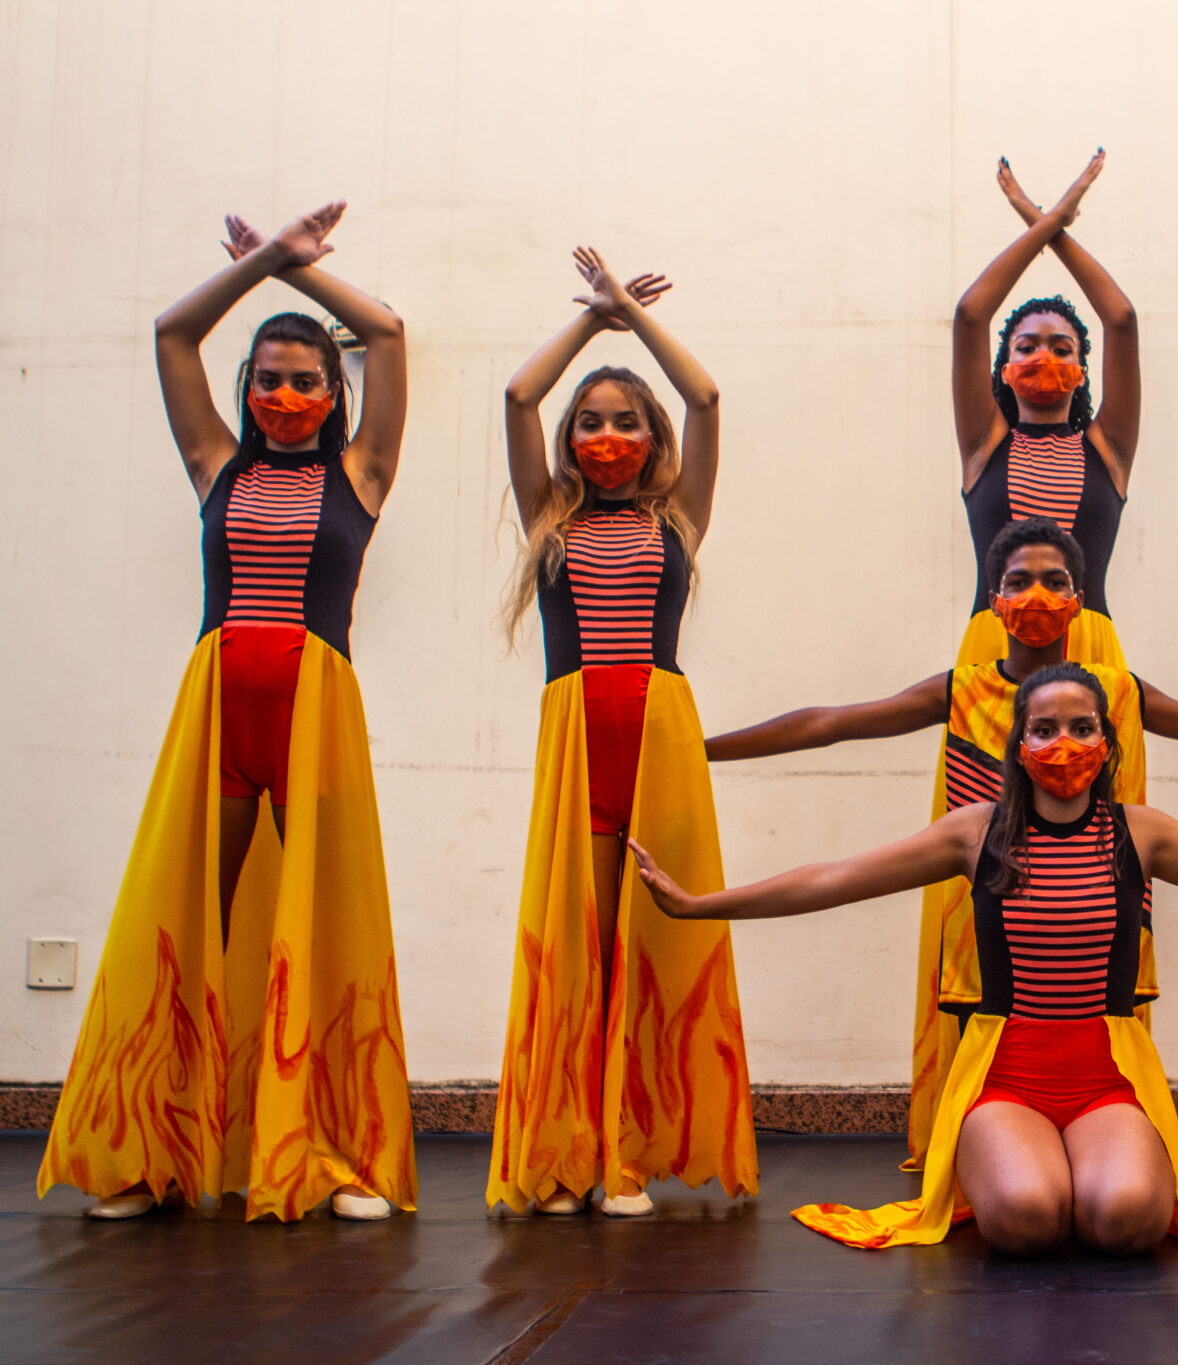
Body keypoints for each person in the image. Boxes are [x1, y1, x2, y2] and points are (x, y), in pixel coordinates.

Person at [636, 663, 1178, 1253]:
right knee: (1025, 1218)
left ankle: (1088, 1167)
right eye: (1044, 728)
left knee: (1126, 1220)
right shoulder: (974, 833)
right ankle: (1027, 1167)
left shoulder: (1142, 833)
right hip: (1003, 1074)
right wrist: (702, 903)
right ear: (1018, 743)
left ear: (1108, 742)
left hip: (1108, 1073)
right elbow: (833, 878)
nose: (1064, 743)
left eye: (1083, 727)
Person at [39, 202, 415, 1222]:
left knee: (322, 926)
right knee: (185, 926)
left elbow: (386, 335)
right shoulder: (216, 462)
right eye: (268, 379)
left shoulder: (362, 472)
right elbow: (173, 333)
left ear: (333, 394)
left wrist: (295, 270)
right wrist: (262, 268)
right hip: (218, 712)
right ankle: (149, 1155)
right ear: (246, 389)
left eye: (306, 380)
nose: (286, 395)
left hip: (314, 712)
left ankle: (336, 1152)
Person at [705, 516, 1178, 1168]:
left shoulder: (1115, 690)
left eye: (1054, 581)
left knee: (1105, 1069)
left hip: (1096, 915)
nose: (1036, 596)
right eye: (1019, 580)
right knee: (992, 1081)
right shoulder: (962, 687)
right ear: (994, 599)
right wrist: (703, 750)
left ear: (1078, 599)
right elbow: (829, 723)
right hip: (985, 918)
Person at [489, 248, 754, 1217]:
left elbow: (707, 397)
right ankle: (567, 1153)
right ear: (570, 442)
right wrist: (590, 322)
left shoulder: (678, 518)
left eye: (626, 422)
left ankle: (630, 1154)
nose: (607, 436)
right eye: (591, 423)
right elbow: (519, 397)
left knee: (652, 941)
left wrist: (636, 321)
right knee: (580, 943)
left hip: (658, 737)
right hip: (576, 741)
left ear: (652, 439)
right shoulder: (547, 516)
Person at [951, 150, 1137, 668]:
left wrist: (1047, 223)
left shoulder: (1108, 448)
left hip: (1088, 650)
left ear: (1082, 371)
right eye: (1027, 346)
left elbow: (1121, 319)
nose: (1044, 357)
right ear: (1005, 368)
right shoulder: (984, 443)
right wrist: (1052, 218)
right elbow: (970, 314)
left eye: (1061, 348)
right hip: (993, 646)